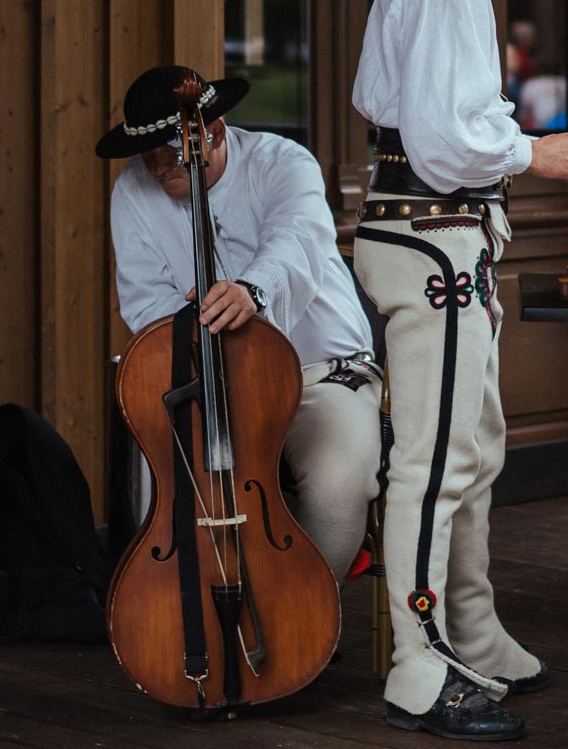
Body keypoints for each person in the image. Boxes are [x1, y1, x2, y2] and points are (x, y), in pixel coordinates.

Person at [350, 0, 568, 741]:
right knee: (432, 458)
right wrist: (535, 154)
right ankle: (419, 664)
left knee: (475, 447)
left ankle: (471, 628)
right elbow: (440, 136)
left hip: (444, 234)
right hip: (430, 234)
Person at [97, 65, 381, 587]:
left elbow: (296, 238)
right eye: (148, 153)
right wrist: (187, 328)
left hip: (318, 377)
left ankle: (305, 618)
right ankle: (191, 616)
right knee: (160, 468)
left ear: (217, 132)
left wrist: (253, 290)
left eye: (170, 151)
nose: (159, 168)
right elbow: (143, 301)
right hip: (207, 385)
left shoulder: (283, 162)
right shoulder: (132, 191)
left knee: (338, 479)